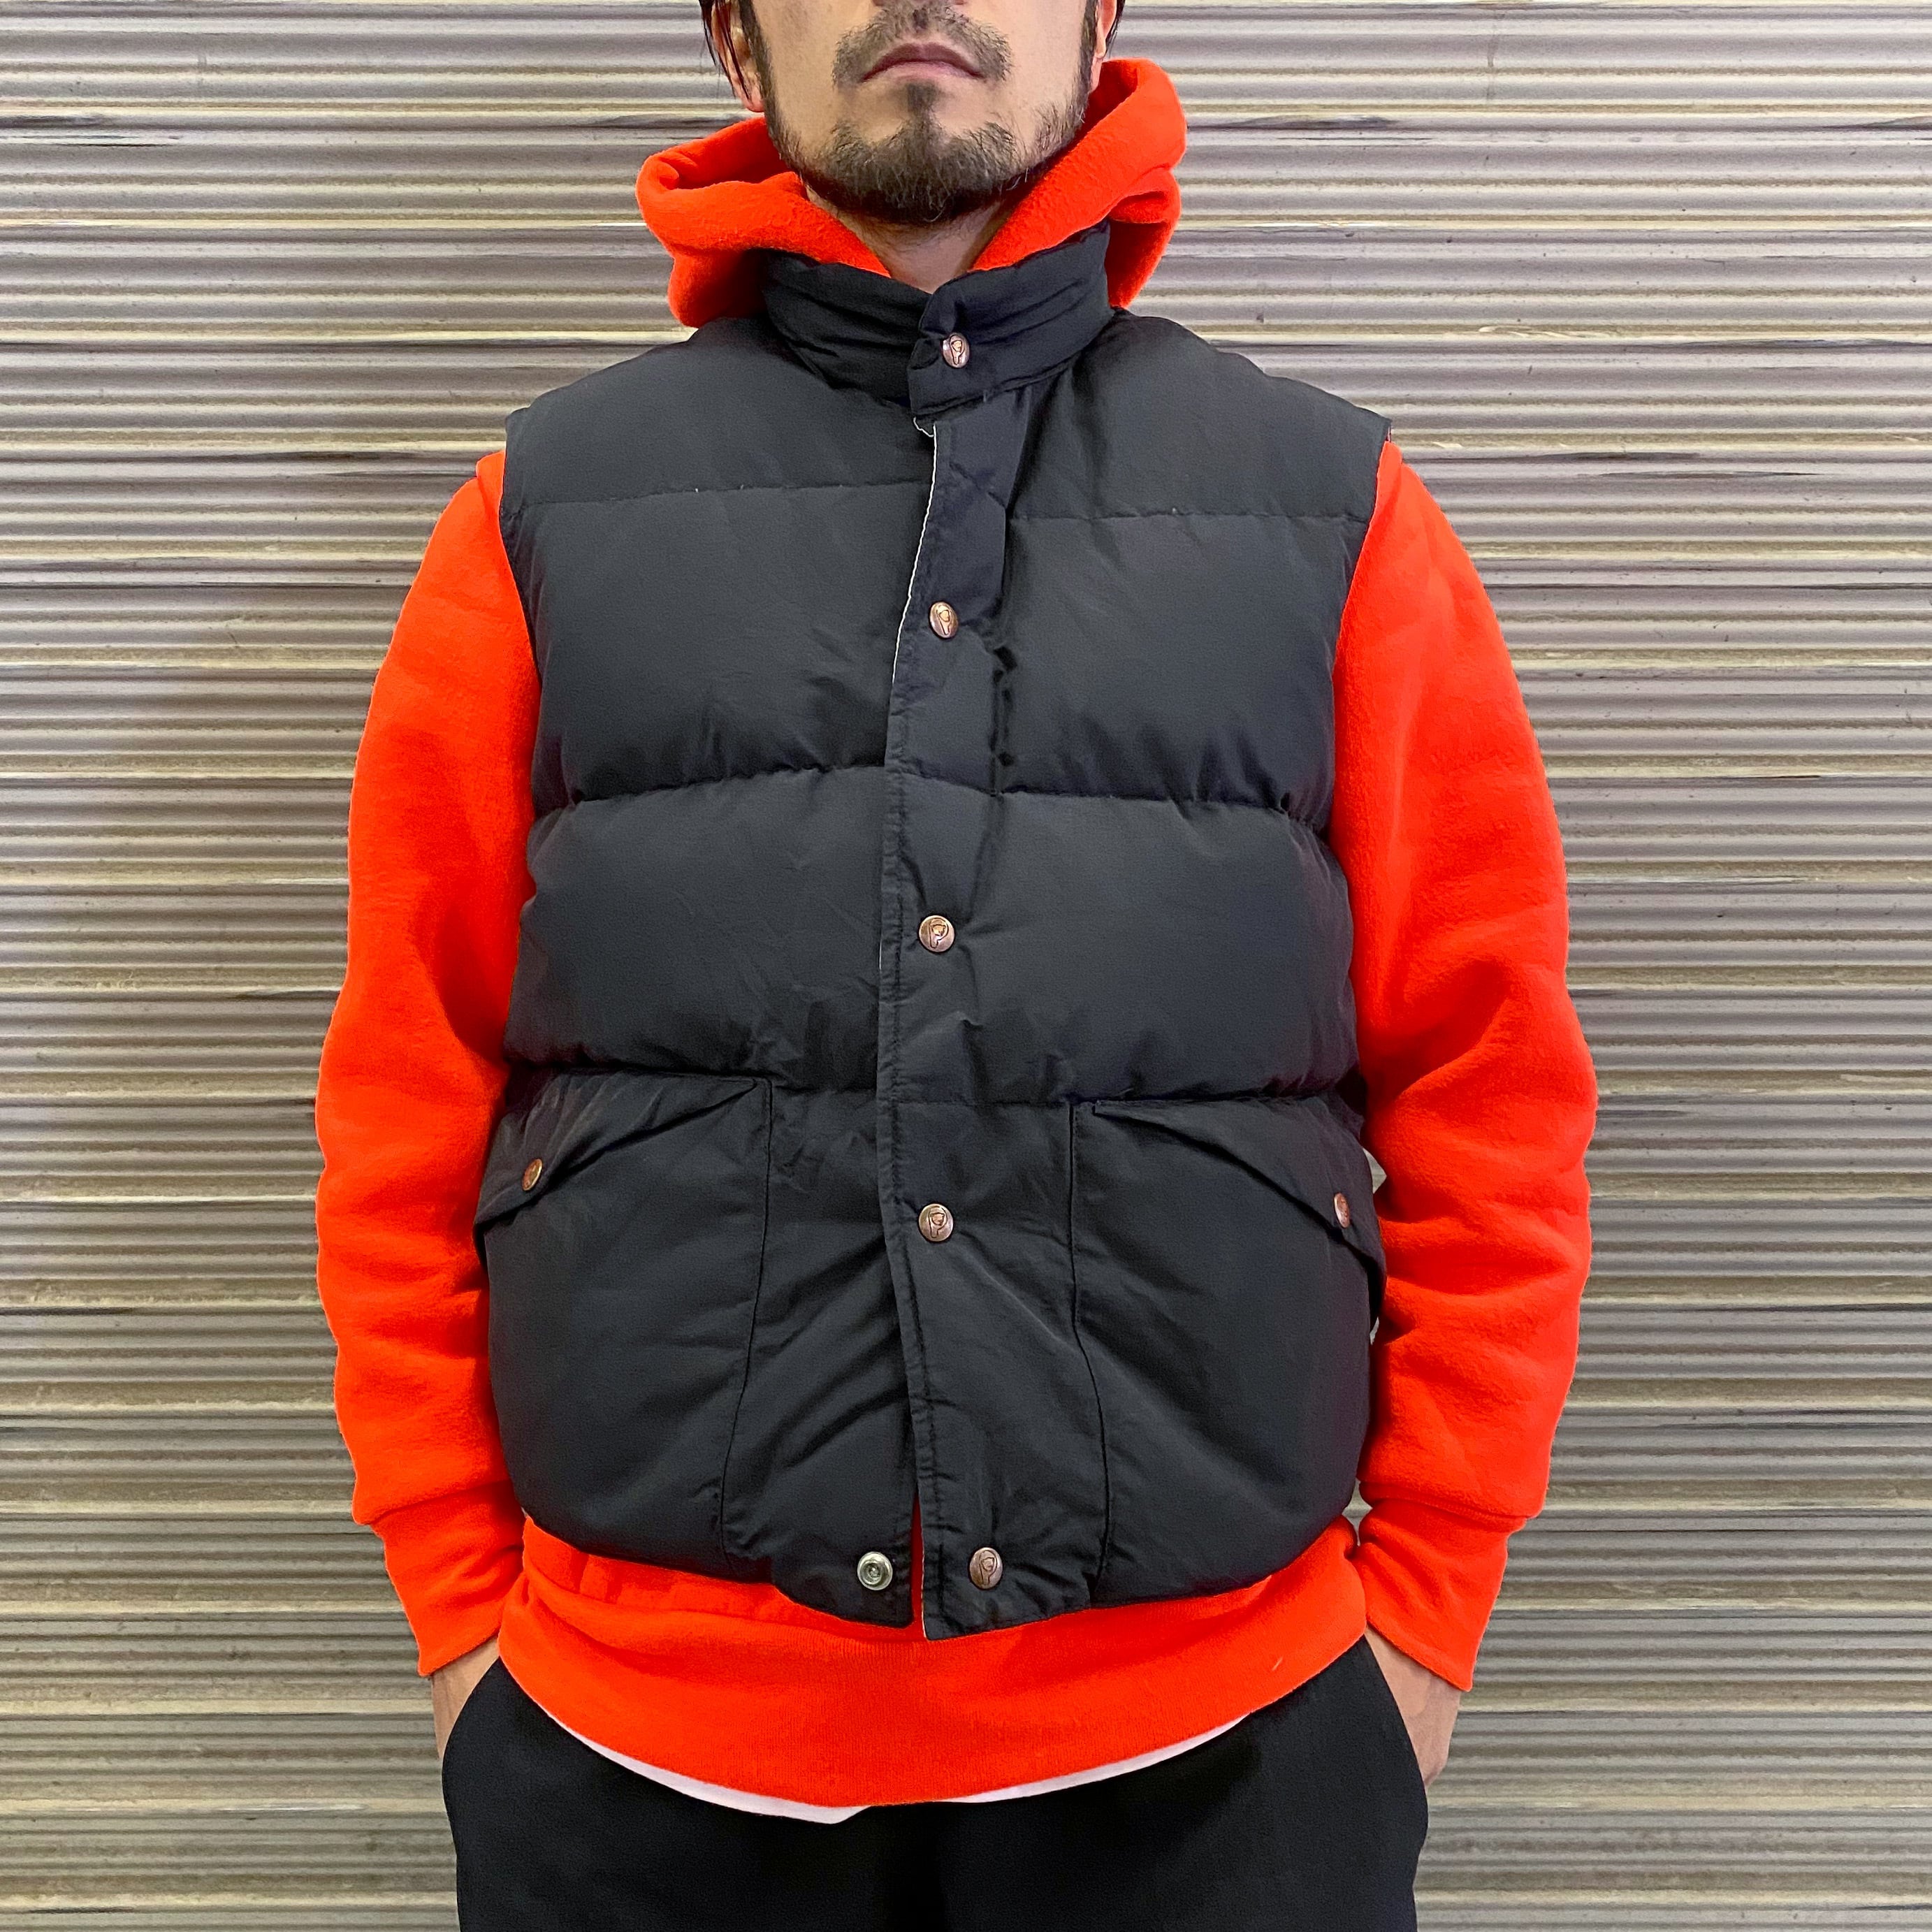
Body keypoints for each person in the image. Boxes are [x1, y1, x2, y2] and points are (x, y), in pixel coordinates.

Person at [313, 0, 1598, 1924]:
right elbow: (404, 1104)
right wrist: (460, 1625)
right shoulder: (541, 517)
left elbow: (1491, 1098)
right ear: (737, 34)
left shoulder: (1332, 515)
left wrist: (1418, 1620)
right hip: (629, 1767)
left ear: (1100, 16)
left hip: (1234, 1767)